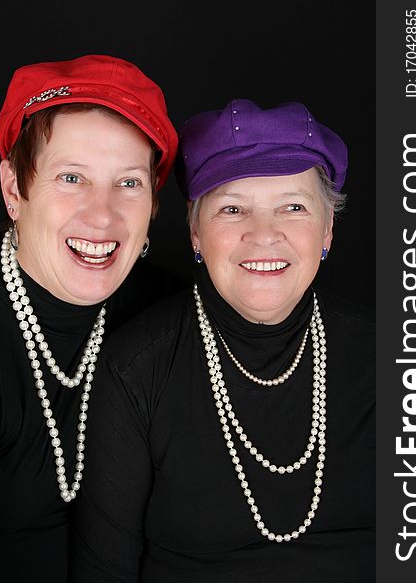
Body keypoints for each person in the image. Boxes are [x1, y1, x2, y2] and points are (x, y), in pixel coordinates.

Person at [69, 99, 375, 582]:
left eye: (293, 207)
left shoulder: (394, 359)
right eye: (232, 209)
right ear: (194, 231)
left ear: (328, 230)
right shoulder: (136, 369)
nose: (264, 235)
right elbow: (104, 569)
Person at [0, 53, 183, 583]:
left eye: (130, 183)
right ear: (13, 189)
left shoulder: (173, 315)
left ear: (154, 204)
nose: (102, 214)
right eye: (72, 177)